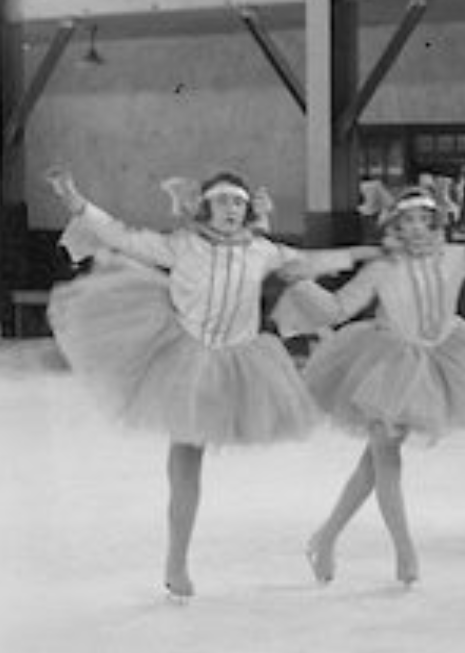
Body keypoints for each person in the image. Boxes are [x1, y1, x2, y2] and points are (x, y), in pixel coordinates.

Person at [44, 167, 378, 601]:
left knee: (200, 447)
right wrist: (74, 199)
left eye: (238, 203)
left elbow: (311, 261)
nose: (231, 210)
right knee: (187, 453)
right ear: (205, 206)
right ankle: (176, 560)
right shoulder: (182, 245)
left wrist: (363, 252)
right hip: (183, 358)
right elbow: (121, 235)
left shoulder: (262, 251)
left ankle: (179, 557)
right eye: (222, 201)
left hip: (239, 359)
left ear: (247, 210)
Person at [280, 179, 465, 588]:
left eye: (424, 219)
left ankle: (325, 537)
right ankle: (404, 551)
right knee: (386, 457)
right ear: (395, 226)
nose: (416, 228)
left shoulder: (456, 257)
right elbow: (340, 307)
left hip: (440, 359)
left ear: (438, 223)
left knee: (374, 463)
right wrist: (301, 283)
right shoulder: (384, 267)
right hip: (387, 363)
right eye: (407, 220)